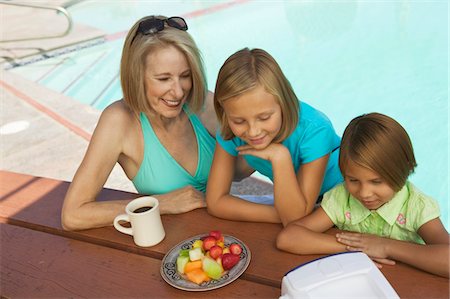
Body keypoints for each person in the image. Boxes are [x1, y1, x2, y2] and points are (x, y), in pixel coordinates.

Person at [61, 16, 217, 230]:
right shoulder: (119, 121)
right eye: (163, 79)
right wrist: (160, 204)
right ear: (137, 77)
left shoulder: (203, 103)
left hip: (223, 238)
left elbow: (238, 167)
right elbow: (73, 215)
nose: (179, 91)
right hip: (168, 246)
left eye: (185, 76)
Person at [276, 113, 449, 278]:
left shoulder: (416, 206)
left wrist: (386, 246)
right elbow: (288, 238)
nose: (364, 193)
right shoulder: (343, 199)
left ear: (404, 171)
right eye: (353, 180)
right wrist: (356, 248)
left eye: (376, 182)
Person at [206, 48, 343, 226]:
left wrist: (280, 157)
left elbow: (296, 218)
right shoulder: (229, 130)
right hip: (298, 207)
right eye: (239, 120)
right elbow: (216, 202)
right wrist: (279, 213)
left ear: (283, 103)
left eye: (264, 118)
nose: (253, 131)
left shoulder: (315, 130)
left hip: (350, 198)